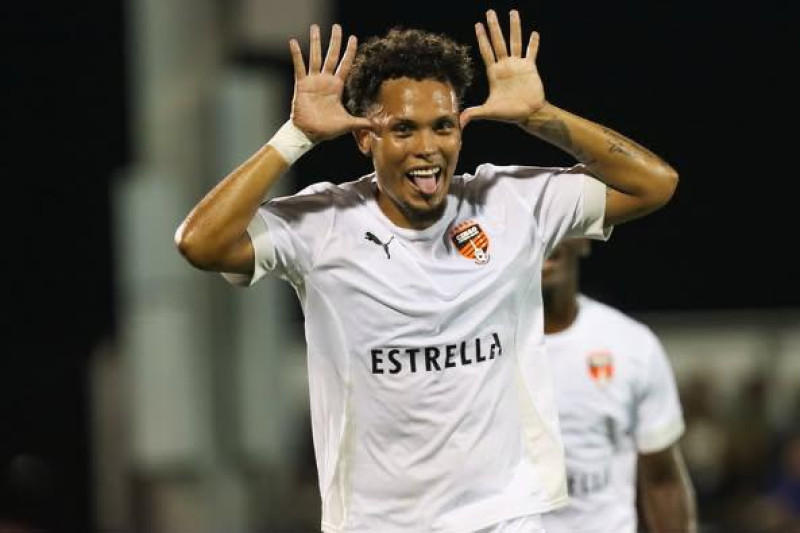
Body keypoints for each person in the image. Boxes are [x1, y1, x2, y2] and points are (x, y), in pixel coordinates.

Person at [175, 9, 678, 533]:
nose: (426, 148)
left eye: (442, 126)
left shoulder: (510, 202)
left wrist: (540, 116)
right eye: (402, 130)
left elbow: (654, 185)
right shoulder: (323, 224)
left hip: (503, 515)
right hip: (377, 524)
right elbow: (201, 242)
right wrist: (294, 138)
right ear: (365, 137)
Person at [538, 239, 697, 533]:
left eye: (558, 218)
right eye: (534, 220)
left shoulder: (632, 345)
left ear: (585, 238)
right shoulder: (479, 350)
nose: (547, 233)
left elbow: (662, 481)